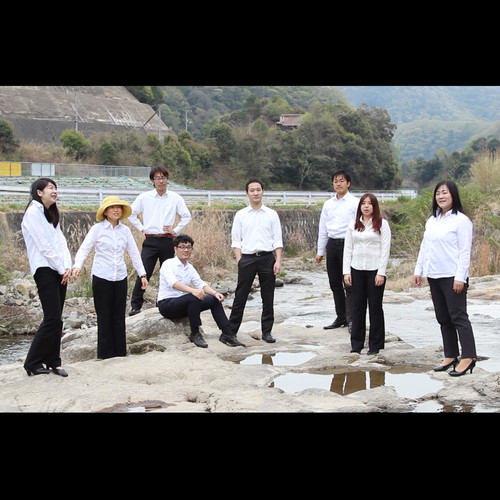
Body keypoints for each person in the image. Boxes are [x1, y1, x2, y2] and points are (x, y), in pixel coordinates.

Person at [413, 180, 477, 376]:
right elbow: (425, 247)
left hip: (452, 276)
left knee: (458, 317)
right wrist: (418, 270)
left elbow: (465, 251)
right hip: (434, 274)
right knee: (443, 318)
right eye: (438, 193)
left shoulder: (461, 221)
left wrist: (460, 277)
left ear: (453, 195)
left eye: (445, 193)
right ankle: (450, 355)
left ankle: (468, 357)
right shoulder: (432, 220)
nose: (441, 196)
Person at [72, 196, 148, 359]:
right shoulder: (97, 229)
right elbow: (84, 249)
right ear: (105, 212)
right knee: (104, 315)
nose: (116, 210)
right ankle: (105, 354)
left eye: (119, 207)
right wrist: (77, 266)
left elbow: (134, 253)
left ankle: (120, 352)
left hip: (120, 276)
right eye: (112, 207)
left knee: (119, 315)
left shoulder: (125, 231)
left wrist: (142, 274)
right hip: (101, 276)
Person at [21, 178, 72, 377]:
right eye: (50, 187)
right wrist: (60, 268)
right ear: (39, 192)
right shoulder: (33, 213)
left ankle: (53, 361)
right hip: (44, 269)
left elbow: (61, 242)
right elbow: (43, 246)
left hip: (58, 269)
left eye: (55, 187)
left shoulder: (51, 214)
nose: (54, 191)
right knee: (51, 317)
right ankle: (32, 362)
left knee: (57, 318)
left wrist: (67, 266)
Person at [224, 179, 283, 345]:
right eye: (252, 190)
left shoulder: (271, 214)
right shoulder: (241, 215)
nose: (255, 193)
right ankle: (231, 332)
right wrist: (240, 260)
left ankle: (267, 332)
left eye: (258, 190)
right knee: (240, 296)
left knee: (268, 296)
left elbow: (277, 239)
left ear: (262, 191)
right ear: (247, 193)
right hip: (247, 258)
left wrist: (278, 260)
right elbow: (236, 240)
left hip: (267, 258)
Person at [127, 166, 192, 316]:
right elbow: (131, 214)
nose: (161, 181)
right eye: (157, 178)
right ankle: (136, 305)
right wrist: (142, 228)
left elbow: (186, 216)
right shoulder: (144, 197)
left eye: (163, 177)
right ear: (152, 181)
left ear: (167, 179)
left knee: (167, 272)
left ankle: (162, 302)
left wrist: (175, 230)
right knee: (144, 271)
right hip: (150, 240)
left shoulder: (175, 197)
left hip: (168, 240)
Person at [157, 234, 234, 348]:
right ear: (175, 249)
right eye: (182, 247)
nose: (186, 250)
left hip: (185, 304)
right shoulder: (168, 264)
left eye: (188, 247)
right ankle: (195, 333)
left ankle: (227, 333)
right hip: (167, 305)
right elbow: (173, 283)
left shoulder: (189, 267)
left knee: (214, 299)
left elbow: (200, 284)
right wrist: (193, 291)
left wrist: (215, 293)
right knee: (194, 297)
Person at [343, 193, 391, 354]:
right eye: (363, 203)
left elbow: (385, 249)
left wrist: (381, 272)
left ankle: (375, 346)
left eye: (370, 203)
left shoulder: (382, 224)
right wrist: (346, 272)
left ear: (374, 206)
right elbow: (348, 249)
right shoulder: (353, 225)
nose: (366, 206)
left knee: (375, 308)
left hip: (375, 271)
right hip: (356, 269)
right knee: (357, 307)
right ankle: (356, 345)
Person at [315, 169, 359, 332]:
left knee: (349, 283)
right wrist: (320, 251)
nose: (338, 184)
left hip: (349, 244)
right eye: (335, 181)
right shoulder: (328, 204)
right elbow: (323, 229)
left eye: (341, 181)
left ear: (348, 183)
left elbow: (360, 226)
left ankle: (352, 319)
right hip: (332, 245)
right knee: (335, 283)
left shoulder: (355, 203)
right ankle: (340, 317)